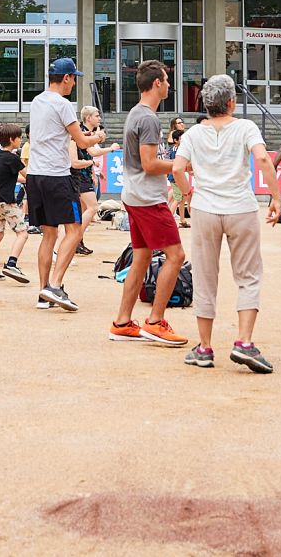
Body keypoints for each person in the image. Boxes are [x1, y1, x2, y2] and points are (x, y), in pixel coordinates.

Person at [173, 73, 281, 372]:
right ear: (232, 102)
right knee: (248, 275)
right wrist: (275, 196)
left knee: (205, 276)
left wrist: (190, 192)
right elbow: (262, 160)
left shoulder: (193, 134)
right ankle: (244, 342)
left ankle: (205, 347)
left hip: (206, 208)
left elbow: (178, 167)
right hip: (240, 208)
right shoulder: (245, 127)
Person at [110, 60, 188, 348]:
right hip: (147, 198)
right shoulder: (150, 119)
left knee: (142, 258)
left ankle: (122, 322)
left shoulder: (136, 113)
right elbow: (149, 163)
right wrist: (182, 166)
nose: (169, 85)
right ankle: (154, 321)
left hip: (134, 194)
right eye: (166, 80)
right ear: (157, 83)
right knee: (176, 256)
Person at [25, 58, 99, 312]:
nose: (74, 83)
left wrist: (83, 136)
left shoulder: (37, 101)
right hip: (58, 175)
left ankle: (44, 291)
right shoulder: (63, 103)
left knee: (48, 235)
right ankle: (55, 286)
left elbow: (57, 133)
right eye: (73, 78)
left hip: (36, 175)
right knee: (75, 230)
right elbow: (82, 142)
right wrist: (97, 137)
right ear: (66, 78)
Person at [0, 124, 31, 284]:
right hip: (7, 202)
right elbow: (28, 175)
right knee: (22, 233)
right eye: (19, 138)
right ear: (12, 139)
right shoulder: (13, 158)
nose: (20, 140)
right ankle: (11, 263)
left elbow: (10, 177)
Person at [71, 104, 110, 256]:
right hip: (79, 174)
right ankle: (74, 239)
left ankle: (78, 242)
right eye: (97, 116)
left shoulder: (88, 133)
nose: (99, 118)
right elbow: (92, 151)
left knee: (82, 210)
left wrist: (93, 171)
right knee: (92, 207)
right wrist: (111, 148)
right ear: (88, 118)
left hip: (85, 172)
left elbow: (88, 154)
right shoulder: (81, 133)